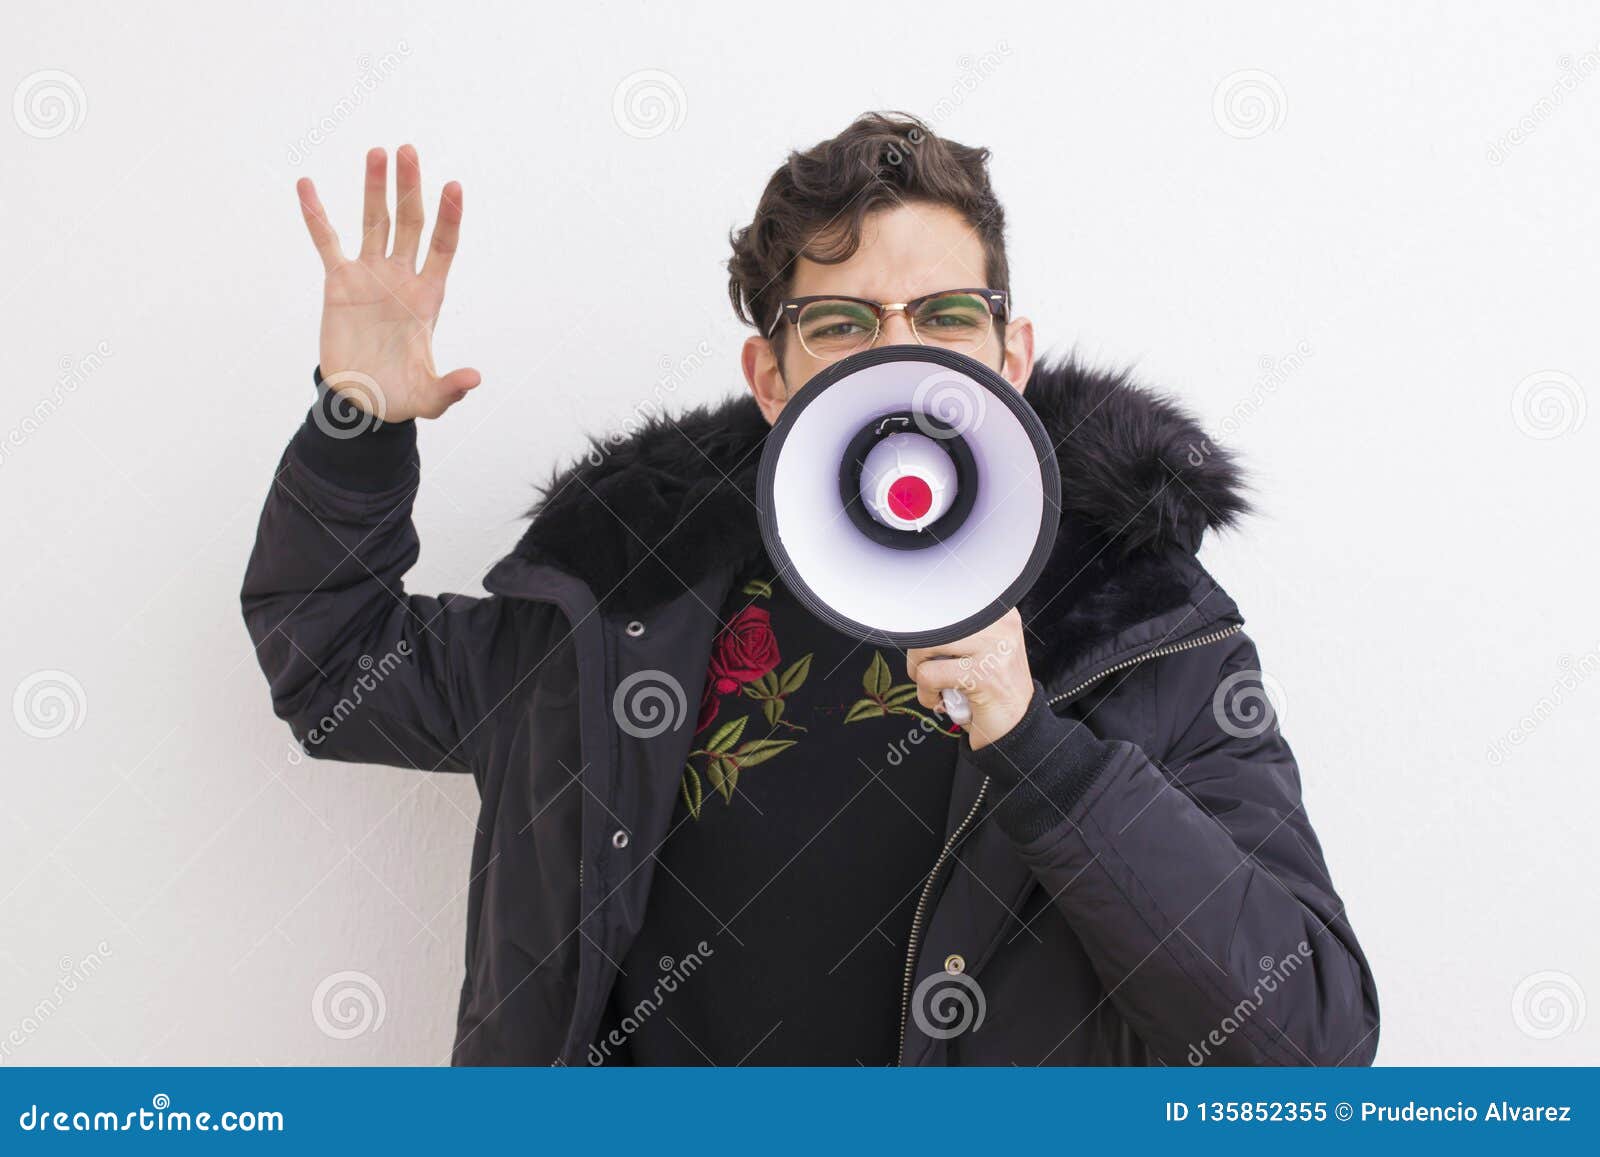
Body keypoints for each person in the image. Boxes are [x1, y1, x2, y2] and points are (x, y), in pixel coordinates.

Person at [241, 112, 1378, 1066]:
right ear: (770, 374)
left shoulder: (1142, 633)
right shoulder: (621, 594)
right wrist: (359, 425)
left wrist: (1040, 747)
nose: (899, 354)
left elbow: (1306, 1031)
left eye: (943, 315)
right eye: (840, 323)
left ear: (1009, 353)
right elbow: (335, 665)